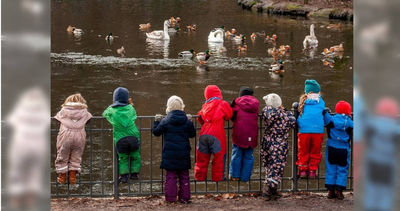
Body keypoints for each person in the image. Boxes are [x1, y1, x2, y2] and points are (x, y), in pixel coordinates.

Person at [153, 96, 196, 203]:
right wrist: (190, 121)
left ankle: (171, 199)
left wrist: (156, 122)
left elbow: (156, 132)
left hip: (169, 153)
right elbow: (192, 134)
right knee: (184, 175)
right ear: (182, 107)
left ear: (168, 107)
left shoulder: (165, 121)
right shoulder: (186, 121)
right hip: (183, 153)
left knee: (171, 176)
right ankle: (184, 198)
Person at [261, 93, 296, 200]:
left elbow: (266, 113)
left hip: (267, 142)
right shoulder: (286, 116)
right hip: (280, 144)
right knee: (277, 166)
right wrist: (285, 111)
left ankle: (272, 189)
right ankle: (268, 190)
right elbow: (294, 122)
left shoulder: (267, 112)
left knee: (269, 165)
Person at [194, 85, 233, 182]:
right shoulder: (222, 104)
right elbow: (229, 115)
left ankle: (199, 179)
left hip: (203, 135)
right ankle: (218, 179)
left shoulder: (205, 106)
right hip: (217, 135)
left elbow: (199, 117)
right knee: (219, 158)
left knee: (201, 159)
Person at [103, 87, 141, 183]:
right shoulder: (131, 108)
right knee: (135, 155)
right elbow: (134, 116)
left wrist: (111, 106)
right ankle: (134, 173)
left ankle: (124, 176)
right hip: (133, 137)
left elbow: (105, 114)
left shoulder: (112, 110)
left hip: (120, 139)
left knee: (123, 158)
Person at [54, 93, 92, 184]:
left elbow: (57, 118)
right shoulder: (85, 112)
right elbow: (89, 118)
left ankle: (62, 176)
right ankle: (72, 177)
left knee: (62, 154)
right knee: (76, 155)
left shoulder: (63, 111)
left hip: (66, 135)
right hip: (80, 135)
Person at [323, 101, 353, 200]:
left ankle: (330, 191)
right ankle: (339, 191)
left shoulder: (331, 120)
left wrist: (326, 111)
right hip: (344, 149)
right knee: (342, 170)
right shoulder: (349, 122)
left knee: (331, 168)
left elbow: (325, 115)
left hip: (331, 147)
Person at [229, 86, 259, 182]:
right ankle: (245, 178)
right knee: (249, 156)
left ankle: (235, 176)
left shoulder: (237, 104)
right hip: (252, 134)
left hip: (239, 133)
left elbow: (231, 115)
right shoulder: (255, 104)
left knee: (236, 155)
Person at [296, 79, 325, 178]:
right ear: (317, 92)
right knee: (315, 152)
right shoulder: (320, 101)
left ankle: (303, 170)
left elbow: (299, 118)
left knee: (303, 151)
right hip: (318, 131)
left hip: (304, 131)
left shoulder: (302, 102)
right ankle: (312, 171)